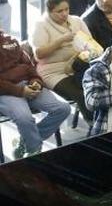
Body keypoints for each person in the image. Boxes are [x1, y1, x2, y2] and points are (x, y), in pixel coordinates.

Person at [0, 29, 71, 158]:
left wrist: (36, 81)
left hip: (27, 84)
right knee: (25, 119)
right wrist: (20, 91)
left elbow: (29, 65)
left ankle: (27, 140)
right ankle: (34, 151)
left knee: (63, 108)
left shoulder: (10, 40)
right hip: (6, 91)